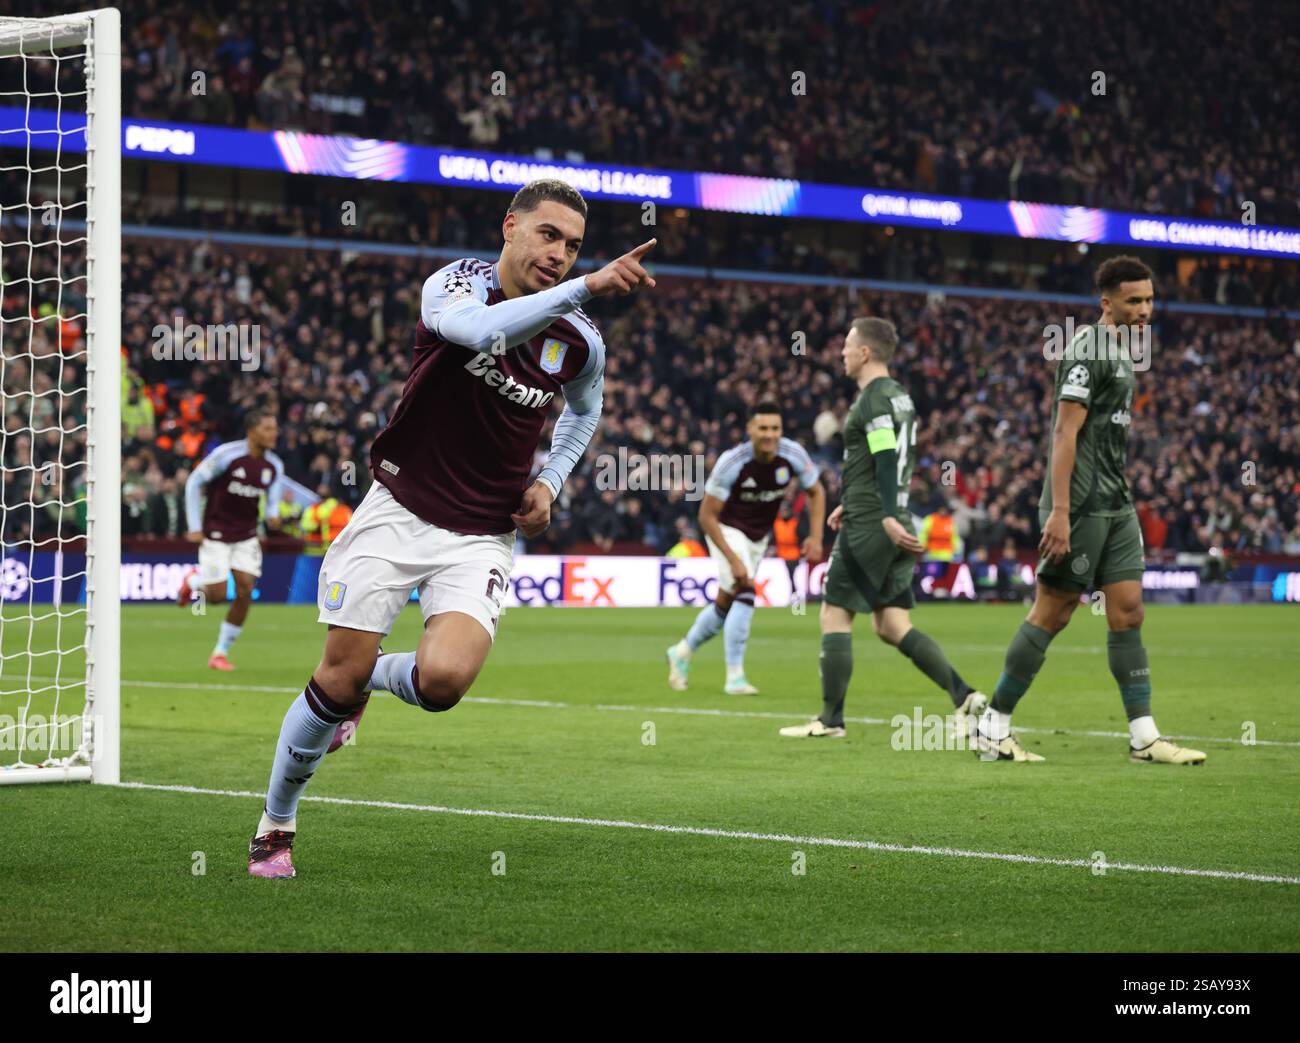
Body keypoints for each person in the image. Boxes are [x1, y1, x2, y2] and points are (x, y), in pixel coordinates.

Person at [247, 179, 658, 878]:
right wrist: (586, 285)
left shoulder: (581, 342)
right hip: (398, 507)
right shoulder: (456, 287)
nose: (559, 253)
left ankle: (367, 684)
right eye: (548, 235)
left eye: (574, 246)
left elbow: (583, 414)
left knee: (442, 683)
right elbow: (483, 334)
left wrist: (550, 479)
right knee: (332, 678)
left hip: (481, 532)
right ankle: (275, 823)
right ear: (510, 226)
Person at [975, 256, 1205, 764]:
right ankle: (993, 727)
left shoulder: (1124, 353)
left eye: (1149, 299)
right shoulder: (1085, 352)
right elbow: (1063, 432)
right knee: (1053, 613)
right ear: (1107, 302)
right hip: (1078, 507)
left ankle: (1144, 737)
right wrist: (1059, 511)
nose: (1145, 309)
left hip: (1116, 504)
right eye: (1134, 301)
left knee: (1128, 612)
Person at [780, 317, 986, 739]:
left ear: (865, 353)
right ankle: (966, 697)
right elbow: (879, 461)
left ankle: (830, 720)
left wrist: (883, 515)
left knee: (834, 615)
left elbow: (886, 456)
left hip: (876, 522)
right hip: (889, 515)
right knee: (891, 625)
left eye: (846, 345)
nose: (841, 352)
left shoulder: (873, 399)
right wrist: (850, 503)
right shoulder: (900, 398)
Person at [666, 402, 824, 695]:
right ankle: (735, 676)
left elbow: (816, 491)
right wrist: (733, 559)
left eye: (775, 428)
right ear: (750, 430)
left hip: (758, 537)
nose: (770, 434)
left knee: (726, 602)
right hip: (726, 530)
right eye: (763, 428)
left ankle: (682, 651)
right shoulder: (733, 462)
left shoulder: (792, 454)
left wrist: (815, 537)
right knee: (746, 587)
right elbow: (706, 516)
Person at [179, 410, 284, 671]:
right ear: (252, 431)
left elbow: (273, 500)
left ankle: (220, 653)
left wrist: (272, 516)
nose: (274, 433)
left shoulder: (274, 466)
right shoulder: (227, 456)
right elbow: (193, 483)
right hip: (216, 533)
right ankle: (192, 580)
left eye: (274, 428)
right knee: (215, 596)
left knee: (245, 589)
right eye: (268, 428)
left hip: (247, 535)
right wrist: (194, 526)